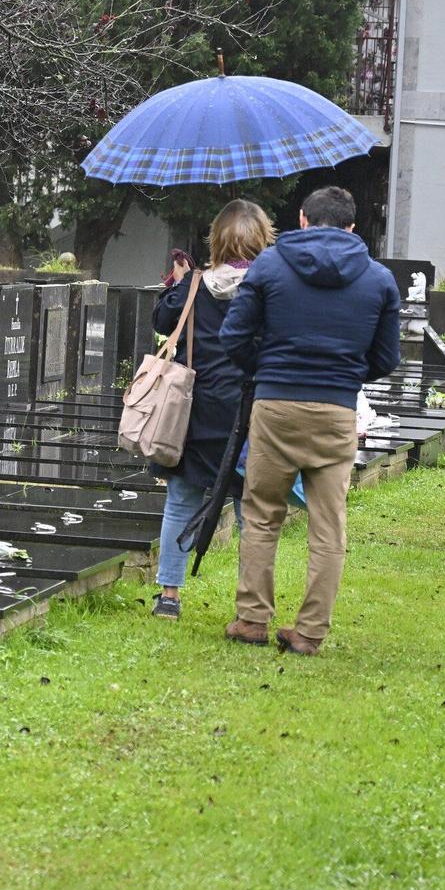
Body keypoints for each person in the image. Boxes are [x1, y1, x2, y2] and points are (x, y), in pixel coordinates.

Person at [219, 185, 401, 655]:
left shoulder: (270, 266)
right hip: (336, 410)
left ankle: (252, 619)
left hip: (276, 405)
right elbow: (385, 357)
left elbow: (233, 335)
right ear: (352, 227)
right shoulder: (379, 280)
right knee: (328, 524)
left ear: (301, 219)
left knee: (261, 514)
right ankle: (311, 630)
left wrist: (266, 369)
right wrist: (344, 377)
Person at [148, 200, 275, 622]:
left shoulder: (196, 285)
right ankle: (251, 602)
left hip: (197, 413)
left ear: (215, 240)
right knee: (251, 514)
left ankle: (169, 595)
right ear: (263, 239)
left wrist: (179, 284)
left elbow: (163, 320)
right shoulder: (272, 285)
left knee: (181, 502)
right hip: (253, 413)